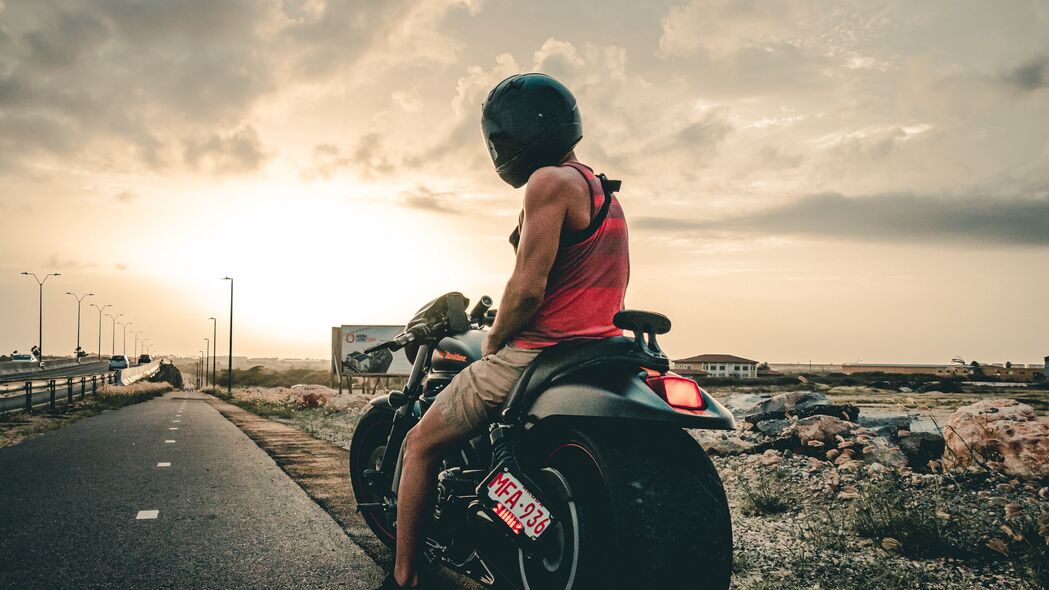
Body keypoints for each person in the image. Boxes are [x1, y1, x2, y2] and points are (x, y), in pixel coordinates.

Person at [375, 73, 630, 589]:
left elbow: (527, 288)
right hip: (601, 347)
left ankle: (403, 578)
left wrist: (495, 339)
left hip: (540, 352)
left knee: (421, 445)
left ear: (511, 136)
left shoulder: (548, 183)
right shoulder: (603, 190)